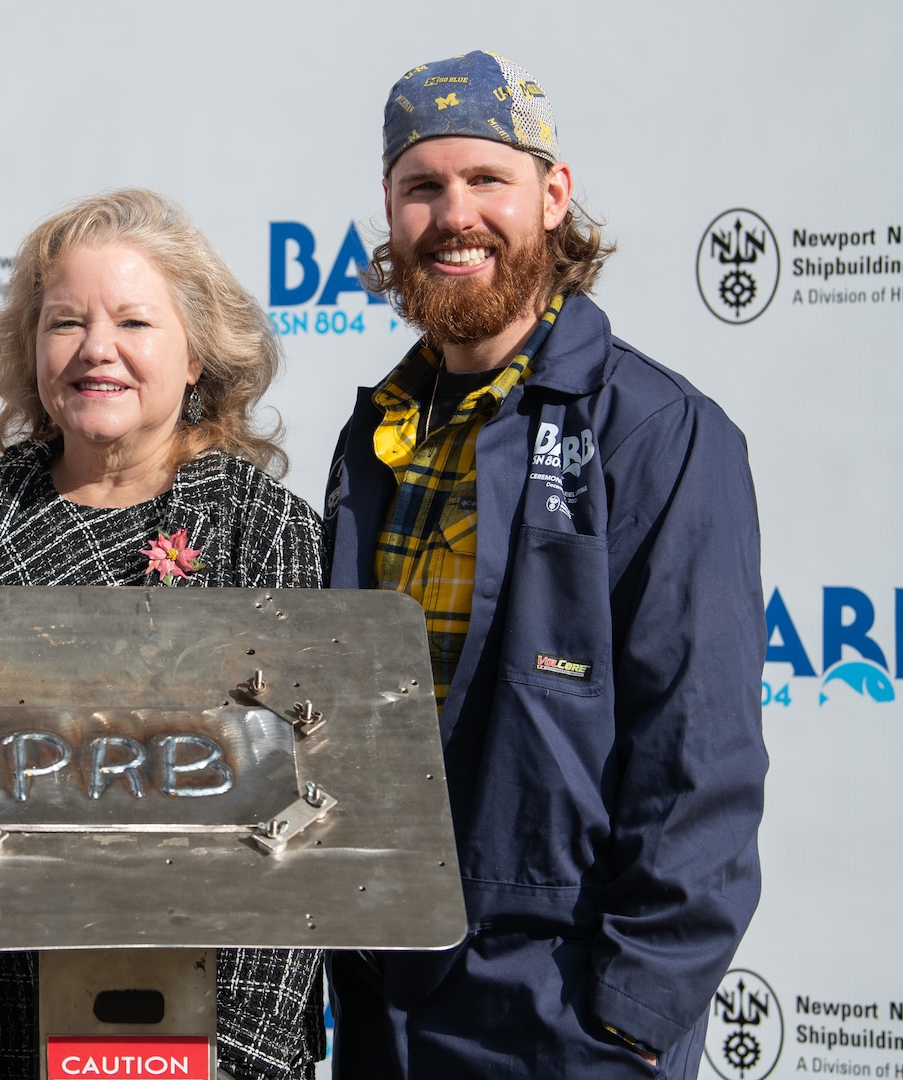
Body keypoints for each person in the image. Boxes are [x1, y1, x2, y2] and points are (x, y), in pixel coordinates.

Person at [323, 52, 767, 1078]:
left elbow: (700, 754)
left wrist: (632, 1011)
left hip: (564, 1019)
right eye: (421, 187)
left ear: (553, 197)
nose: (454, 215)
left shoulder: (659, 433)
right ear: (390, 213)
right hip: (388, 1001)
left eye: (487, 181)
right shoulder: (374, 438)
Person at [0, 188, 326, 1080]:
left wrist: (238, 1056)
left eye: (134, 320)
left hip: (196, 1025)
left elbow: (296, 832)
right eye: (65, 323)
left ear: (196, 348)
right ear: (31, 349)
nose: (97, 349)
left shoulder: (265, 528)